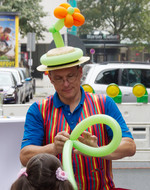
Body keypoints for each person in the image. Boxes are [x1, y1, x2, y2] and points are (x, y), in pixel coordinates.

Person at [20, 3, 136, 190]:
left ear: (80, 72)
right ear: (50, 78)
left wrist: (98, 149)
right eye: (58, 78)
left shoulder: (103, 103)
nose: (66, 84)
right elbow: (25, 156)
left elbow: (129, 146)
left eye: (71, 76)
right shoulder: (39, 110)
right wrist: (53, 147)